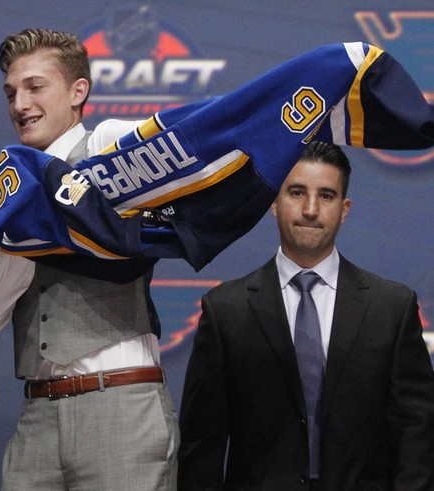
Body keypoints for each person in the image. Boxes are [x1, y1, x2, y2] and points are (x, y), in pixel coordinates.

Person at [0, 28, 178, 490]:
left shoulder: (110, 147)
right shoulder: (4, 192)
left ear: (79, 91)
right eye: (11, 92)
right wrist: (21, 221)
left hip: (119, 404)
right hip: (37, 415)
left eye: (35, 87)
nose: (19, 105)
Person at [178, 141, 434, 490]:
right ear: (273, 202)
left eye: (326, 196)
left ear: (344, 209)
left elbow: (415, 433)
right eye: (297, 192)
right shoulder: (226, 311)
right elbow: (202, 445)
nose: (311, 209)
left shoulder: (392, 308)